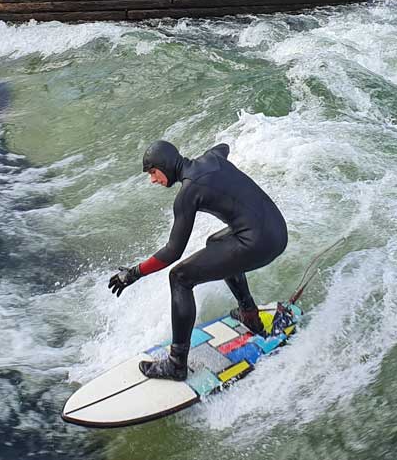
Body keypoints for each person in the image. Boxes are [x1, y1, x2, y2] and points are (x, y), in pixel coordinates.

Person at [108, 141, 289, 381]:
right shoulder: (213, 158)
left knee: (180, 277)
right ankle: (250, 315)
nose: (153, 179)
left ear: (164, 165)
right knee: (216, 244)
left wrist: (133, 273)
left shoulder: (188, 193)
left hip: (258, 242)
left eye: (153, 172)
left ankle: (176, 364)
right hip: (277, 231)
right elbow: (223, 146)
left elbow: (172, 252)